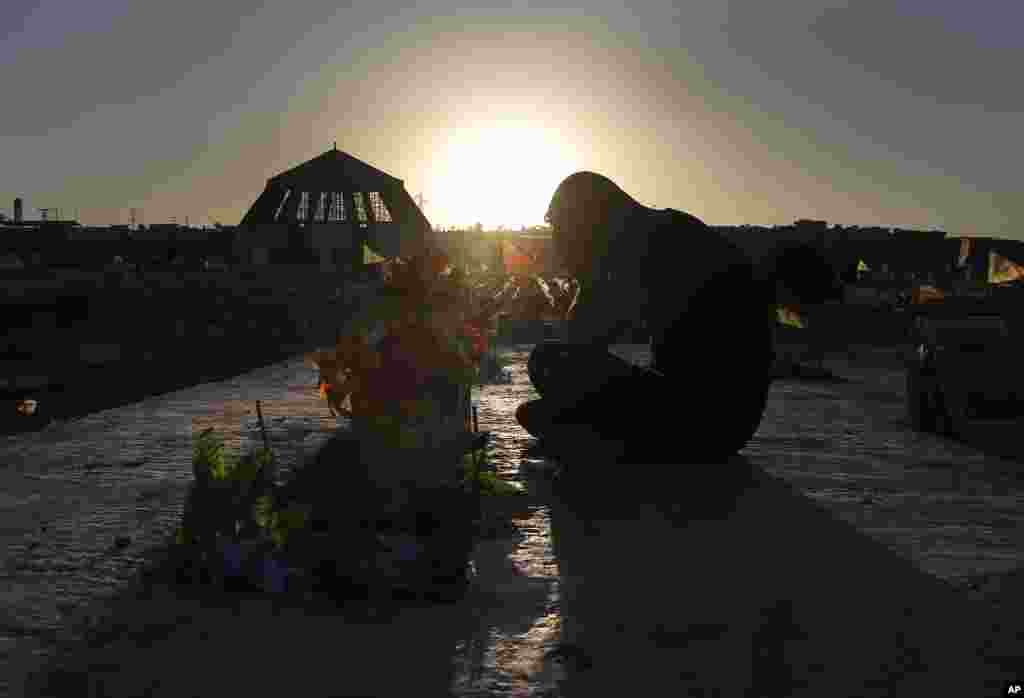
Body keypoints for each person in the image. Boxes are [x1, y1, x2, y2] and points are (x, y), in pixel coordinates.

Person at [516, 171, 836, 466]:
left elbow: (581, 343)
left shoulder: (637, 246)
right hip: (726, 422)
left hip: (703, 421)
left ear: (583, 221)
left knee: (546, 363)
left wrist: (583, 275)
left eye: (559, 227)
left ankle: (608, 446)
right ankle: (604, 443)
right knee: (541, 411)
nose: (558, 240)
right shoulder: (660, 232)